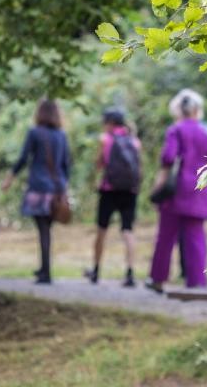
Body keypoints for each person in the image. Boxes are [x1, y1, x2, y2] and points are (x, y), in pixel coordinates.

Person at [146, 89, 207, 292]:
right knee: (196, 236)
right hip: (199, 189)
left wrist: (159, 184)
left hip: (176, 190)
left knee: (166, 235)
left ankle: (158, 279)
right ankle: (197, 282)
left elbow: (168, 158)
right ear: (196, 110)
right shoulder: (205, 133)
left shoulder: (175, 130)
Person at [1, 99, 71, 284]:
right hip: (57, 189)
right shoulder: (62, 135)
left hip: (39, 188)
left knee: (43, 230)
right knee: (46, 230)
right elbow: (66, 165)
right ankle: (44, 269)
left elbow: (24, 158)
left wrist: (10, 177)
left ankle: (46, 272)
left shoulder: (34, 133)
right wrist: (65, 189)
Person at [85, 109, 141, 287]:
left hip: (109, 190)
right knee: (127, 230)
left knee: (102, 230)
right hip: (130, 191)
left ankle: (95, 270)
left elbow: (99, 164)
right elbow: (139, 168)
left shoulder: (105, 140)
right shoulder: (135, 141)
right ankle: (130, 273)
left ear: (109, 123)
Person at [178, 100, 207, 279]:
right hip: (202, 185)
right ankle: (197, 274)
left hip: (182, 186)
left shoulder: (178, 129)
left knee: (184, 230)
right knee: (196, 231)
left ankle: (186, 270)